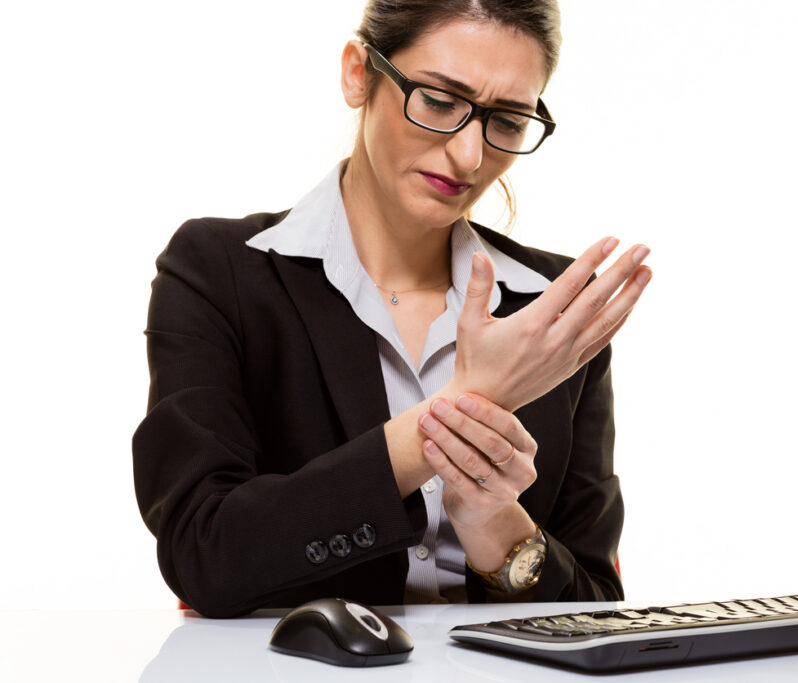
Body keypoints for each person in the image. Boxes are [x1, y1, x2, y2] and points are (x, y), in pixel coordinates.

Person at [133, 0, 652, 618]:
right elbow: (204, 555)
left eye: (508, 121)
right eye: (437, 101)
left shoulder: (550, 308)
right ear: (359, 72)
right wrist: (445, 424)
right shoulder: (220, 271)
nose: (468, 157)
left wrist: (496, 527)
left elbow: (596, 609)